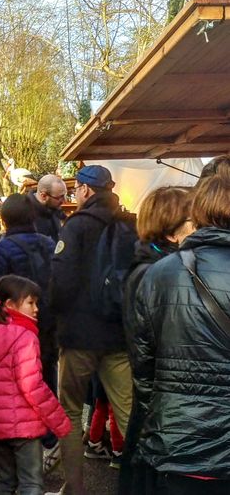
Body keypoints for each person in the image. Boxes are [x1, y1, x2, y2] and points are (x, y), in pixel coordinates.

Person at [124, 178, 230, 495]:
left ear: (197, 214)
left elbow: (143, 372)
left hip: (177, 442)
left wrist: (152, 431)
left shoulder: (159, 274)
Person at [49, 165, 132, 495]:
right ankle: (148, 484)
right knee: (130, 413)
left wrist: (55, 319)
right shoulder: (130, 225)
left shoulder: (77, 226)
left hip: (80, 335)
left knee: (69, 410)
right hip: (119, 335)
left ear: (84, 190)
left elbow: (62, 283)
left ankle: (74, 488)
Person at [119, 186, 193, 494]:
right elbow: (145, 353)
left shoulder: (153, 265)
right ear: (172, 229)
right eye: (192, 220)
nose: (197, 225)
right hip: (158, 406)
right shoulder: (153, 273)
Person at [0, 275, 71, 495]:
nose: (36, 308)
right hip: (24, 429)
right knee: (31, 483)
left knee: (5, 482)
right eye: (30, 302)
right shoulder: (25, 337)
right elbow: (33, 387)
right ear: (10, 305)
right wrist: (59, 422)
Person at [0, 193, 59, 469]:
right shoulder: (49, 243)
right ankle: (50, 435)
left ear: (5, 218)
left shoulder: (5, 247)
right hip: (47, 320)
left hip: (17, 325)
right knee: (46, 375)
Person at [27, 174, 68, 243]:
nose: (64, 201)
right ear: (43, 196)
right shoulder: (26, 215)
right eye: (59, 197)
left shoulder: (54, 208)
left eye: (64, 195)